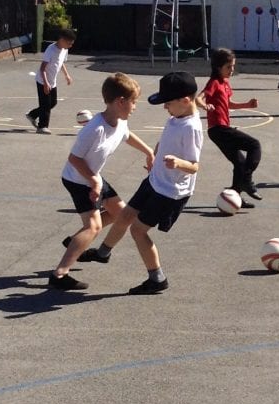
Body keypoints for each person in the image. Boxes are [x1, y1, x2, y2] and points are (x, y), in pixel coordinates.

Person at [80, 72, 203, 295]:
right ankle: (103, 253)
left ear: (185, 101)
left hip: (170, 192)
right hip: (155, 181)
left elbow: (194, 166)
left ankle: (157, 278)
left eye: (168, 103)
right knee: (125, 215)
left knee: (138, 231)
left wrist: (177, 163)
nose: (165, 107)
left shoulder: (192, 128)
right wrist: (155, 156)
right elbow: (165, 140)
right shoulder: (176, 118)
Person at [49, 73, 155, 291]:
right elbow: (74, 159)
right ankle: (59, 275)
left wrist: (149, 152)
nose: (135, 106)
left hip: (93, 176)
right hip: (78, 179)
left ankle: (76, 242)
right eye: (134, 101)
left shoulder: (120, 121)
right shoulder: (94, 129)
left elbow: (127, 135)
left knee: (121, 214)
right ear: (120, 101)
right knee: (93, 226)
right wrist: (93, 182)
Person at [201, 48, 262, 207]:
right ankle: (247, 182)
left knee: (240, 163)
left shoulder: (225, 84)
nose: (232, 70)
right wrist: (205, 105)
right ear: (218, 67)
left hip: (222, 129)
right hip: (218, 129)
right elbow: (199, 98)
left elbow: (228, 104)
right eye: (228, 67)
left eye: (233, 66)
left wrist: (247, 105)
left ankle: (235, 196)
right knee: (254, 145)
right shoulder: (213, 82)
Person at [25, 29, 75, 135]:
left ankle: (32, 115)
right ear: (61, 40)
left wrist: (67, 75)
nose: (70, 46)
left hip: (52, 81)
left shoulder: (64, 50)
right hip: (43, 80)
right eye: (69, 43)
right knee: (46, 104)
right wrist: (46, 83)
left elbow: (61, 63)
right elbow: (42, 68)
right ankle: (42, 127)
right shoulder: (51, 50)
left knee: (53, 102)